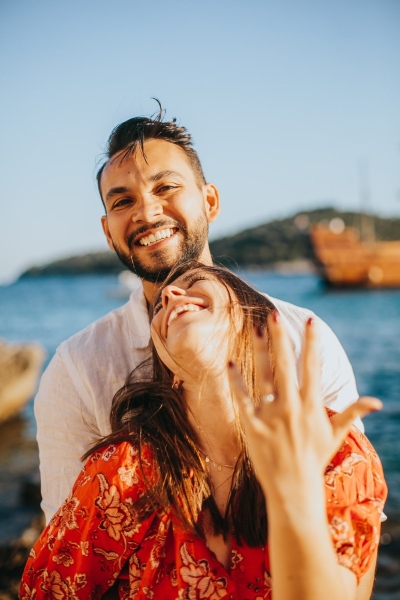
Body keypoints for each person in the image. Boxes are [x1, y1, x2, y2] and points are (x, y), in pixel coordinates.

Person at [35, 102, 360, 528]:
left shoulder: (302, 336)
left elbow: (348, 529)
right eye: (123, 201)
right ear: (107, 230)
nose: (147, 212)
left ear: (209, 200)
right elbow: (71, 551)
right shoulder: (77, 368)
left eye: (165, 187)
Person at [21, 263, 387, 600]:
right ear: (170, 369)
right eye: (161, 305)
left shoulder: (334, 450)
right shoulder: (123, 470)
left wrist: (297, 496)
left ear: (253, 323)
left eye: (195, 284)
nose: (170, 295)